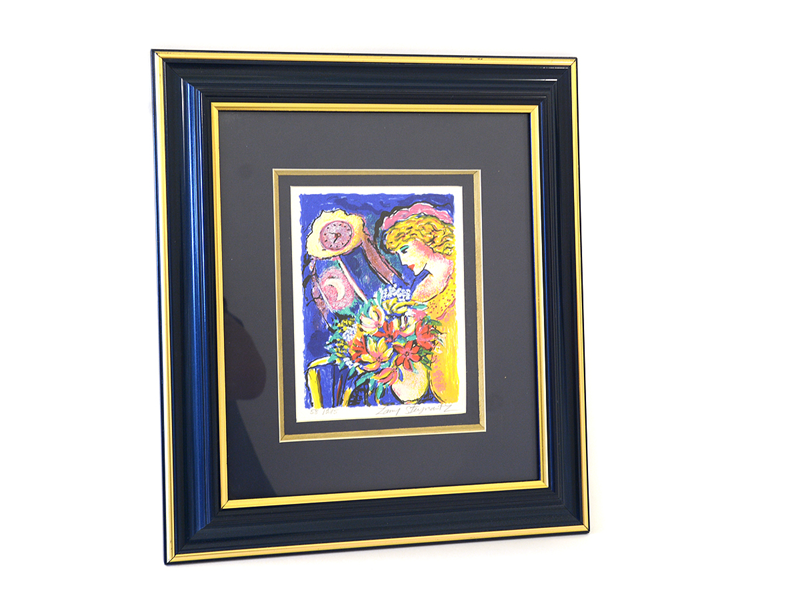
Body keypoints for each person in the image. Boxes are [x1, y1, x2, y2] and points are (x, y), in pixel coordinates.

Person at [381, 203, 458, 403]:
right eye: (398, 254)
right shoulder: (421, 291)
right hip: (438, 384)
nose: (403, 262)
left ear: (427, 235)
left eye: (405, 250)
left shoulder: (460, 272)